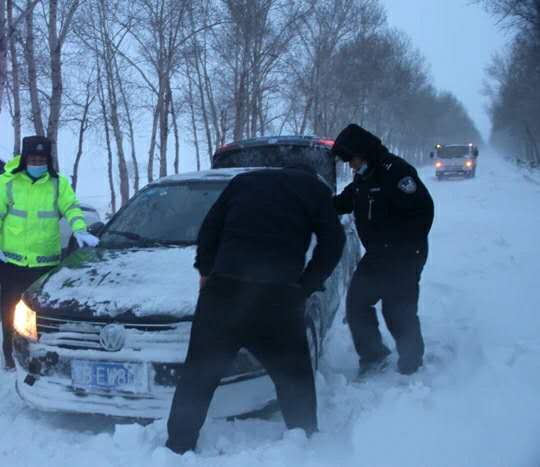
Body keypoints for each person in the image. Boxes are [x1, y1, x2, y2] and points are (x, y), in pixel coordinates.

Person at [165, 165, 345, 454]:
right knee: (293, 374)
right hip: (278, 297)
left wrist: (206, 271)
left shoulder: (243, 182)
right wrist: (306, 285)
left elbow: (210, 228)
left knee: (198, 374)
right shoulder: (315, 190)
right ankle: (305, 440)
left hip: (223, 292)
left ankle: (177, 446)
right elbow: (334, 243)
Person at [0, 136, 99, 369]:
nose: (37, 163)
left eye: (42, 159)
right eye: (33, 158)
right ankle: (10, 355)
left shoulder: (58, 184)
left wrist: (79, 229)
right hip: (12, 262)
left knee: (42, 315)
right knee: (10, 313)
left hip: (45, 264)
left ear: (48, 160)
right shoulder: (7, 181)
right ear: (25, 159)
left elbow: (71, 207)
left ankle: (44, 355)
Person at [331, 124, 434, 376]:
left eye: (351, 160)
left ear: (363, 152)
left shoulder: (396, 172)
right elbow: (345, 201)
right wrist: (312, 205)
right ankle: (373, 355)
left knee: (397, 309)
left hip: (405, 255)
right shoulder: (363, 177)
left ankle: (412, 363)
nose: (351, 166)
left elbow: (423, 212)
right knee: (357, 304)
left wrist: (402, 250)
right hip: (378, 255)